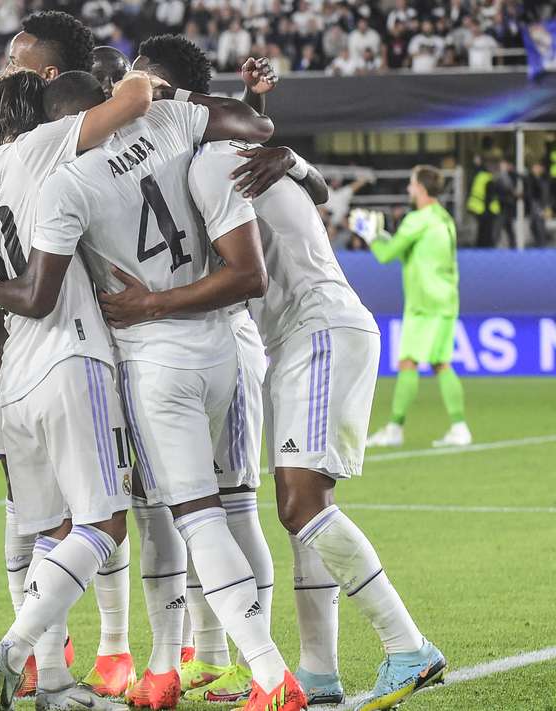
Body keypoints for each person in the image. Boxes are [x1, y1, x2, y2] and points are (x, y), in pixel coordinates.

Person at [36, 44, 309, 711]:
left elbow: (43, 290)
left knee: (198, 516)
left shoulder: (65, 180)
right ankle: (181, 661)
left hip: (155, 358)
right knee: (218, 508)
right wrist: (175, 97)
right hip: (219, 343)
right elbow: (250, 124)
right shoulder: (168, 123)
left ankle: (269, 674)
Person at [192, 145, 448, 711]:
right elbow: (319, 189)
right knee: (303, 513)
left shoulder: (216, 164)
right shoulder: (259, 159)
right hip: (302, 337)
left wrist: (151, 303)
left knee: (301, 505)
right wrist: (296, 161)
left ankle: (408, 646)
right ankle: (318, 670)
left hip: (317, 330)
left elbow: (247, 276)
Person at [0, 66, 156, 711]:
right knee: (104, 522)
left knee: (50, 532)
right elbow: (133, 101)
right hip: (69, 359)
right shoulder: (41, 147)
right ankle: (13, 648)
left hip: (14, 376)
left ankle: (51, 682)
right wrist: (141, 81)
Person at [358, 166, 471, 448]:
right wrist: (381, 234)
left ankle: (395, 429)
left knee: (408, 361)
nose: (408, 189)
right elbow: (406, 250)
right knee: (440, 363)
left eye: (411, 184)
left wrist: (369, 235)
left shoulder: (417, 219)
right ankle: (459, 427)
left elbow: (386, 255)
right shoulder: (442, 217)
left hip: (424, 304)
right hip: (446, 300)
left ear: (420, 187)